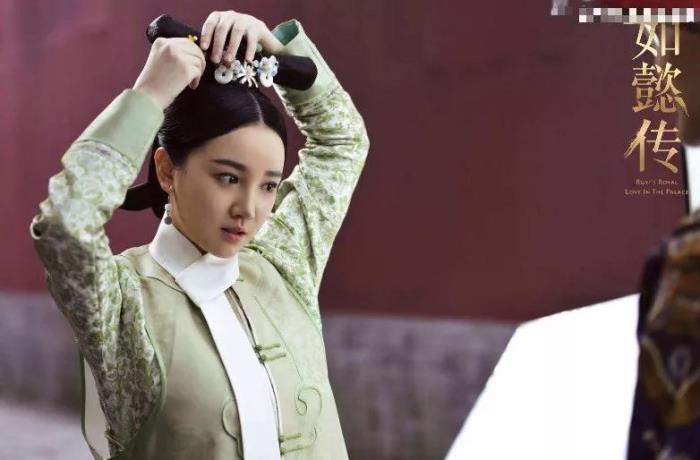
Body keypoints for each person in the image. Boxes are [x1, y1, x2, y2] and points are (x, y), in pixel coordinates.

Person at [29, 10, 369, 460]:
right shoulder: (123, 302)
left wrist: (275, 47)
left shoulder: (283, 265)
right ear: (167, 170)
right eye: (228, 178)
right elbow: (65, 224)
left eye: (268, 186)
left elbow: (342, 144)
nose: (249, 209)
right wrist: (149, 96)